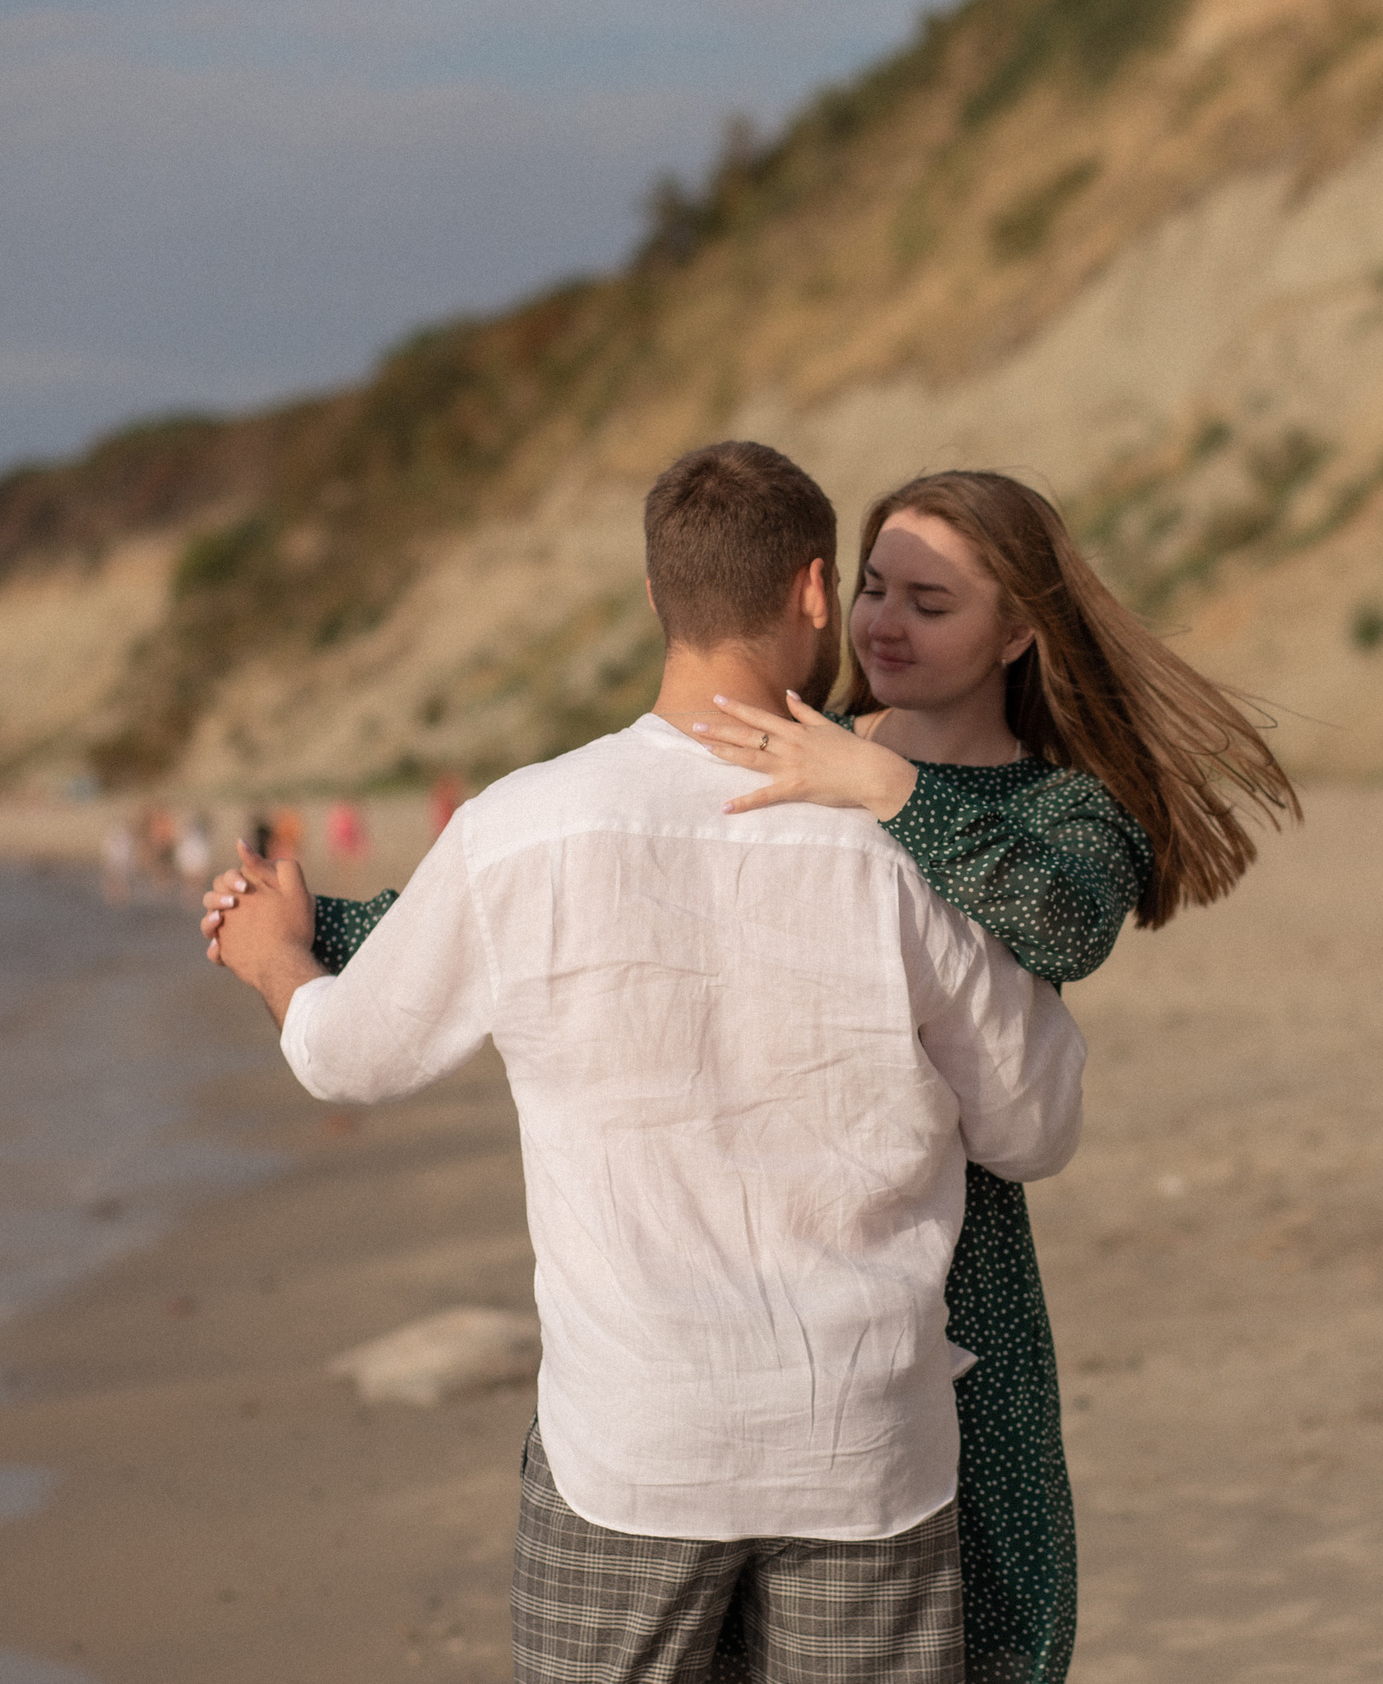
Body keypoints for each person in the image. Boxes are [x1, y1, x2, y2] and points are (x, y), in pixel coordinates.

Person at [293, 468, 1298, 1684]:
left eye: (930, 602)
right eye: (874, 587)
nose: (884, 624)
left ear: (1017, 631)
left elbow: (1066, 924)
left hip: (952, 1265)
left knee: (995, 1632)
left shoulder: (1038, 806)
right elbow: (558, 901)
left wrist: (891, 794)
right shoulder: (806, 761)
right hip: (843, 1263)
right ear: (825, 589)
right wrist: (325, 929)